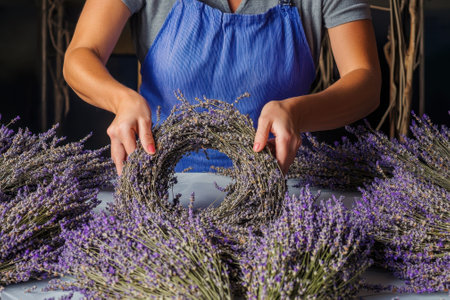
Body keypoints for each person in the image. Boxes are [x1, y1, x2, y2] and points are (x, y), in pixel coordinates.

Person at [63, 0, 381, 176]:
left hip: (280, 189)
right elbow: (80, 56)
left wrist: (295, 112)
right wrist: (122, 100)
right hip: (159, 183)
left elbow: (365, 80)